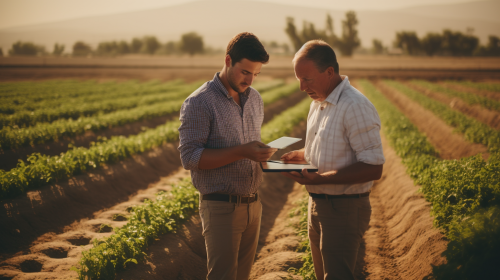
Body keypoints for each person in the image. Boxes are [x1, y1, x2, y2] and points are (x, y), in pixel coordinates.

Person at [281, 40, 385, 280]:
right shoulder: (318, 104)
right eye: (298, 79)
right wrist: (302, 155)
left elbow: (373, 166)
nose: (301, 86)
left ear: (329, 72)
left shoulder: (355, 106)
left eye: (306, 79)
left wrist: (321, 178)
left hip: (344, 208)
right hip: (318, 204)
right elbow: (331, 147)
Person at [178, 32, 277, 280]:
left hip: (253, 205)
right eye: (245, 72)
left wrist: (268, 158)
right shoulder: (200, 102)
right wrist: (242, 151)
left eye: (256, 74)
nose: (250, 80)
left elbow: (249, 152)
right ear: (228, 60)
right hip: (221, 206)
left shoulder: (254, 99)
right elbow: (190, 157)